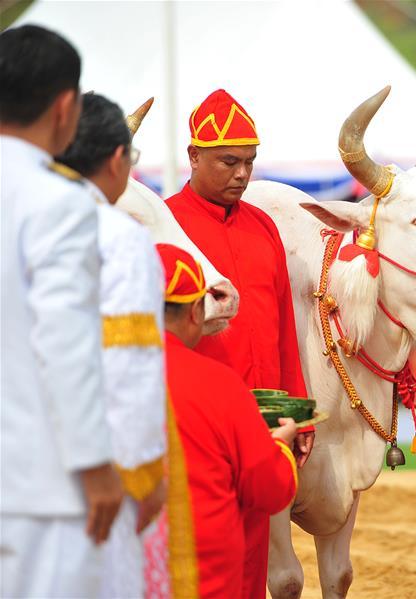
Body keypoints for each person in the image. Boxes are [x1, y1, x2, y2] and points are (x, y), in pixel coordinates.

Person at [164, 88, 312, 596]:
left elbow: (284, 329)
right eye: (229, 162)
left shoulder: (263, 226)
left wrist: (299, 409)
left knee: (254, 557)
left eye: (249, 162)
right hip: (194, 428)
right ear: (193, 156)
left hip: (261, 424)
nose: (243, 175)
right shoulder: (167, 224)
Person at [0, 25, 123, 598]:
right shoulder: (57, 201)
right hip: (37, 486)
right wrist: (95, 463)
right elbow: (65, 338)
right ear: (64, 107)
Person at [55, 92, 167, 598]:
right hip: (98, 472)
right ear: (119, 158)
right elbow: (129, 366)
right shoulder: (120, 236)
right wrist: (142, 475)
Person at [159, 242, 302, 598]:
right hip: (205, 575)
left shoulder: (90, 377)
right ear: (196, 312)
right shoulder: (219, 384)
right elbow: (269, 487)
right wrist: (281, 448)